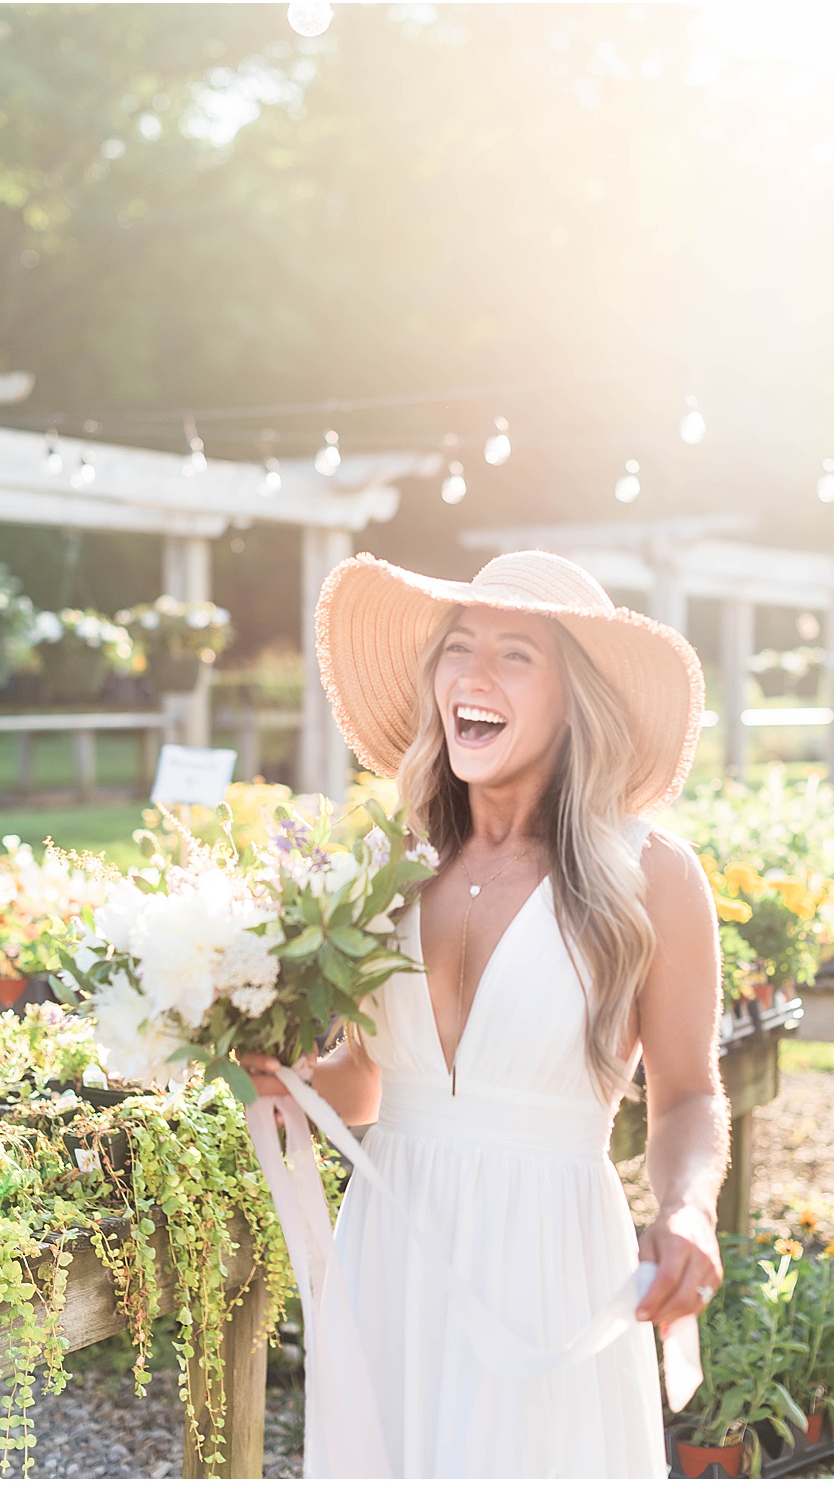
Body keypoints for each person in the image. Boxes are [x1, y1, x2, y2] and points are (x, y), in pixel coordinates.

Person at [244, 550, 727, 1477]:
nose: (472, 673)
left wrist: (690, 1210)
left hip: (549, 1257)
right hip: (393, 1252)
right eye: (457, 648)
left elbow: (688, 1098)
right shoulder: (391, 867)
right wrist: (289, 1085)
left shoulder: (652, 877)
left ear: (573, 696)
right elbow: (374, 1079)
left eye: (515, 654)